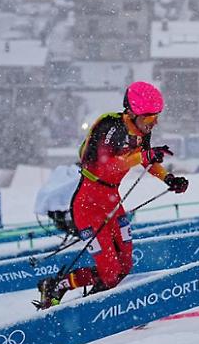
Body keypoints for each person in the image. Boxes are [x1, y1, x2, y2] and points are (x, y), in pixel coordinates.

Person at [35, 82, 189, 308]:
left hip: (112, 203)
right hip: (88, 206)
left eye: (156, 118)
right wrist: (144, 157)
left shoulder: (140, 132)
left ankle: (67, 288)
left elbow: (145, 159)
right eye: (148, 119)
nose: (153, 123)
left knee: (124, 267)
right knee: (109, 273)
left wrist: (168, 178)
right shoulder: (110, 128)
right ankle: (74, 297)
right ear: (133, 113)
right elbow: (105, 166)